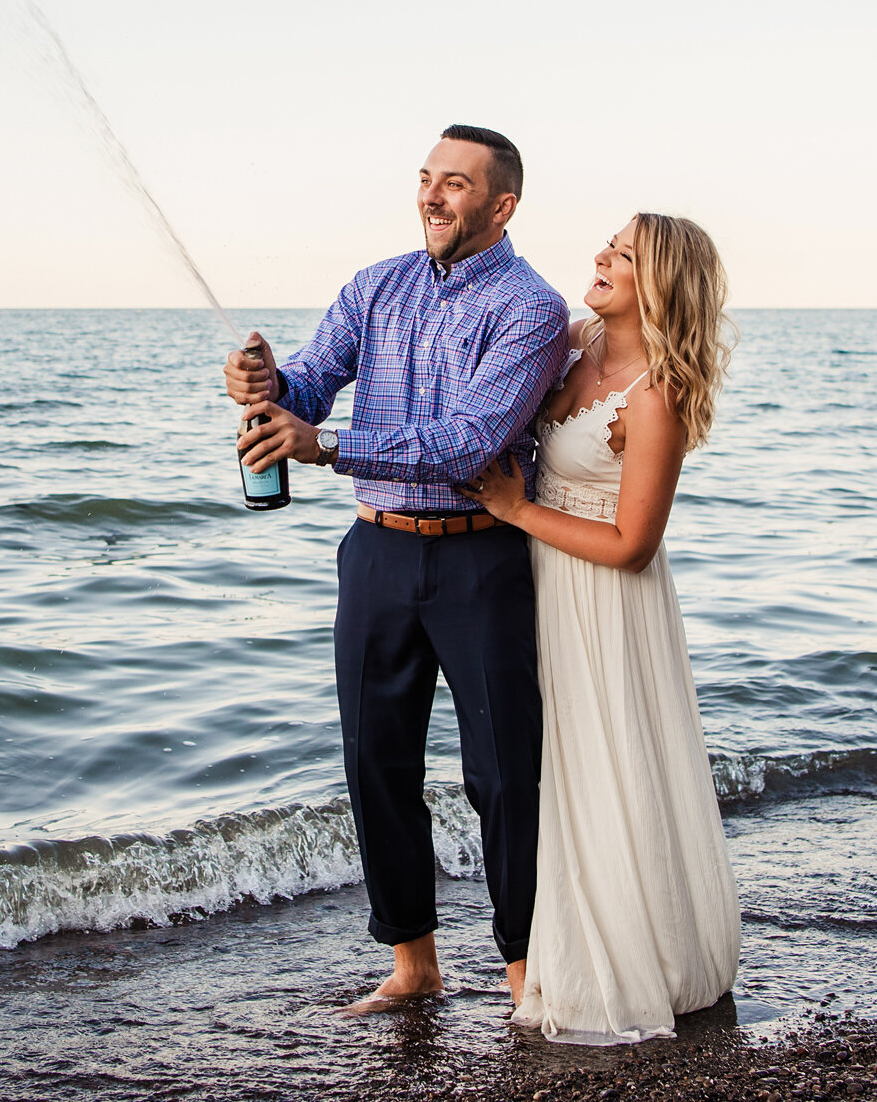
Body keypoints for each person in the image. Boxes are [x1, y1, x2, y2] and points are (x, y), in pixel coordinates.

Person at [223, 124, 568, 1007]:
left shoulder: (531, 309)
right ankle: (413, 965)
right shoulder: (374, 286)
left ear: (501, 205)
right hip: (374, 552)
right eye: (425, 178)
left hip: (479, 560)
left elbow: (472, 441)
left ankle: (526, 969)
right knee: (376, 762)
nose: (432, 195)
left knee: (502, 774)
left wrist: (326, 445)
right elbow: (308, 382)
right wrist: (264, 380)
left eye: (454, 183)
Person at [460, 212, 740, 1044]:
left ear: (657, 281)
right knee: (552, 767)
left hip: (604, 601)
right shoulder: (576, 341)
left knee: (605, 764)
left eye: (621, 254)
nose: (599, 256)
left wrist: (516, 507)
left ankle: (627, 959)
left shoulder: (654, 395)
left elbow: (630, 544)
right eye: (608, 246)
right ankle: (566, 942)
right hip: (541, 584)